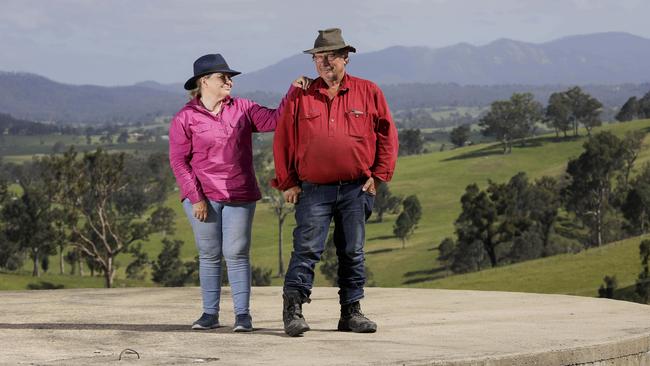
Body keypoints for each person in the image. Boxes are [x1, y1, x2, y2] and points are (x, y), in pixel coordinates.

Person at [272, 28, 399, 336]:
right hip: (313, 188)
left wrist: (380, 176)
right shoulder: (301, 95)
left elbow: (387, 135)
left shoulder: (368, 91)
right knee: (306, 249)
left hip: (356, 188)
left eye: (331, 56)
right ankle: (293, 311)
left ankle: (351, 313)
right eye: (319, 57)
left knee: (353, 251)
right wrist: (288, 182)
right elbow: (283, 139)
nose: (324, 63)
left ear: (346, 58)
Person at [169, 53, 308, 332]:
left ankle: (243, 317)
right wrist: (195, 197)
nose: (229, 81)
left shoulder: (243, 108)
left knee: (237, 253)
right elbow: (179, 161)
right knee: (209, 255)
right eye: (223, 77)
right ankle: (210, 315)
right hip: (203, 198)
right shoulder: (185, 118)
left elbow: (275, 120)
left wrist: (293, 91)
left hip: (239, 193)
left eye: (230, 77)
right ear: (204, 81)